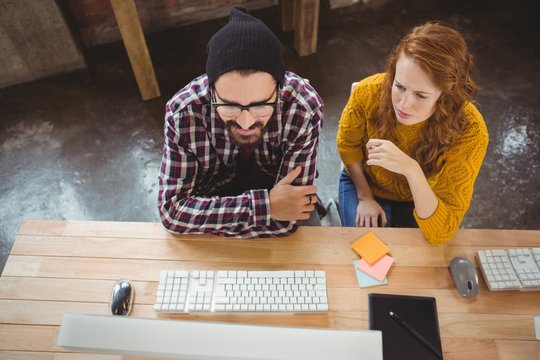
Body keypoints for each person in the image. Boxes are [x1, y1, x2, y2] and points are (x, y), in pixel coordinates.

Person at [158, 7, 324, 238]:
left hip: (217, 210)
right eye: (230, 105)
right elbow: (172, 212)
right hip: (220, 197)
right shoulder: (183, 113)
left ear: (279, 89)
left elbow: (291, 218)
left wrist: (209, 218)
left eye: (260, 105)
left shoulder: (303, 108)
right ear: (211, 90)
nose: (245, 122)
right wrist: (265, 207)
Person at [337, 22, 489, 244]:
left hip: (421, 192)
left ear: (446, 96)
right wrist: (365, 196)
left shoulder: (470, 131)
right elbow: (347, 145)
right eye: (399, 86)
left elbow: (441, 232)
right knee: (367, 258)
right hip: (365, 182)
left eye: (420, 95)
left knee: (413, 259)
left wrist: (411, 169)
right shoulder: (367, 93)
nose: (404, 104)